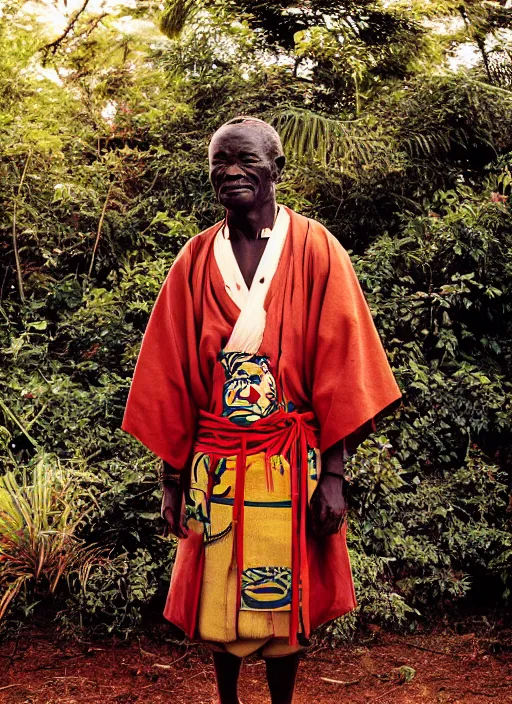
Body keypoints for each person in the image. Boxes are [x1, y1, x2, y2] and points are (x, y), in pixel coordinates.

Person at [122, 116, 402, 704]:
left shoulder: (317, 249)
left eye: (244, 160)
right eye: (218, 163)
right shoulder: (196, 259)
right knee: (216, 604)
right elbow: (168, 375)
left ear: (276, 168)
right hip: (215, 462)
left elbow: (343, 368)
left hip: (289, 461)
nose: (230, 173)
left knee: (284, 604)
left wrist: (333, 475)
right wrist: (171, 482)